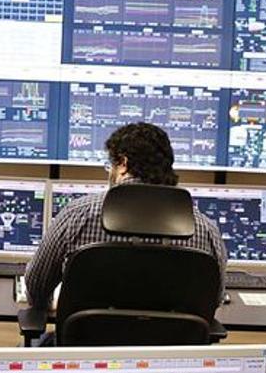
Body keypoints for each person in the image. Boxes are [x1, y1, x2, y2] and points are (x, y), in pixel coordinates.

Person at [24, 122, 228, 311]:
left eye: (110, 165)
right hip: (169, 348)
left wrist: (57, 306)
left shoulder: (77, 216)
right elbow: (214, 300)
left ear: (122, 163)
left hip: (86, 346)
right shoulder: (205, 229)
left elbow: (36, 288)